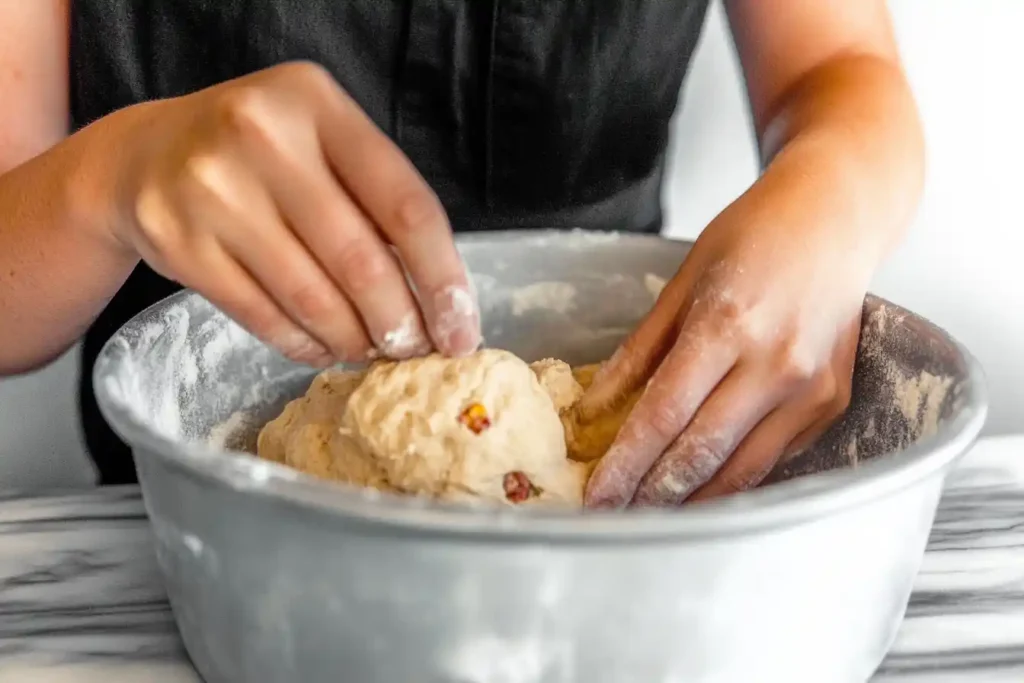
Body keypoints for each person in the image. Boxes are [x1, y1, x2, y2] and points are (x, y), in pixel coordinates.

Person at [0, 1, 923, 508]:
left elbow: (838, 70)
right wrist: (110, 179)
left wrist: (832, 195)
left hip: (635, 521)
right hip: (204, 533)